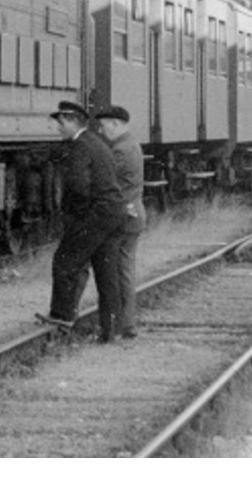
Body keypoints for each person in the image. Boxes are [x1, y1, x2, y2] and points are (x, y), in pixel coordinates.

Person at [41, 99, 128, 341]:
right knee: (106, 273)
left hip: (96, 215)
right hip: (114, 214)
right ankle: (111, 331)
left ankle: (61, 318)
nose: (58, 128)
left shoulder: (79, 147)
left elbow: (79, 187)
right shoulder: (97, 143)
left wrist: (77, 220)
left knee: (65, 261)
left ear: (71, 122)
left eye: (60, 123)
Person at [92, 103, 145, 340]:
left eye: (103, 127)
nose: (101, 132)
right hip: (132, 215)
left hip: (123, 218)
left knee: (117, 273)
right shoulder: (131, 144)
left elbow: (108, 185)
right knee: (124, 270)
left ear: (115, 124)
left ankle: (122, 325)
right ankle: (126, 323)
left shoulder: (121, 150)